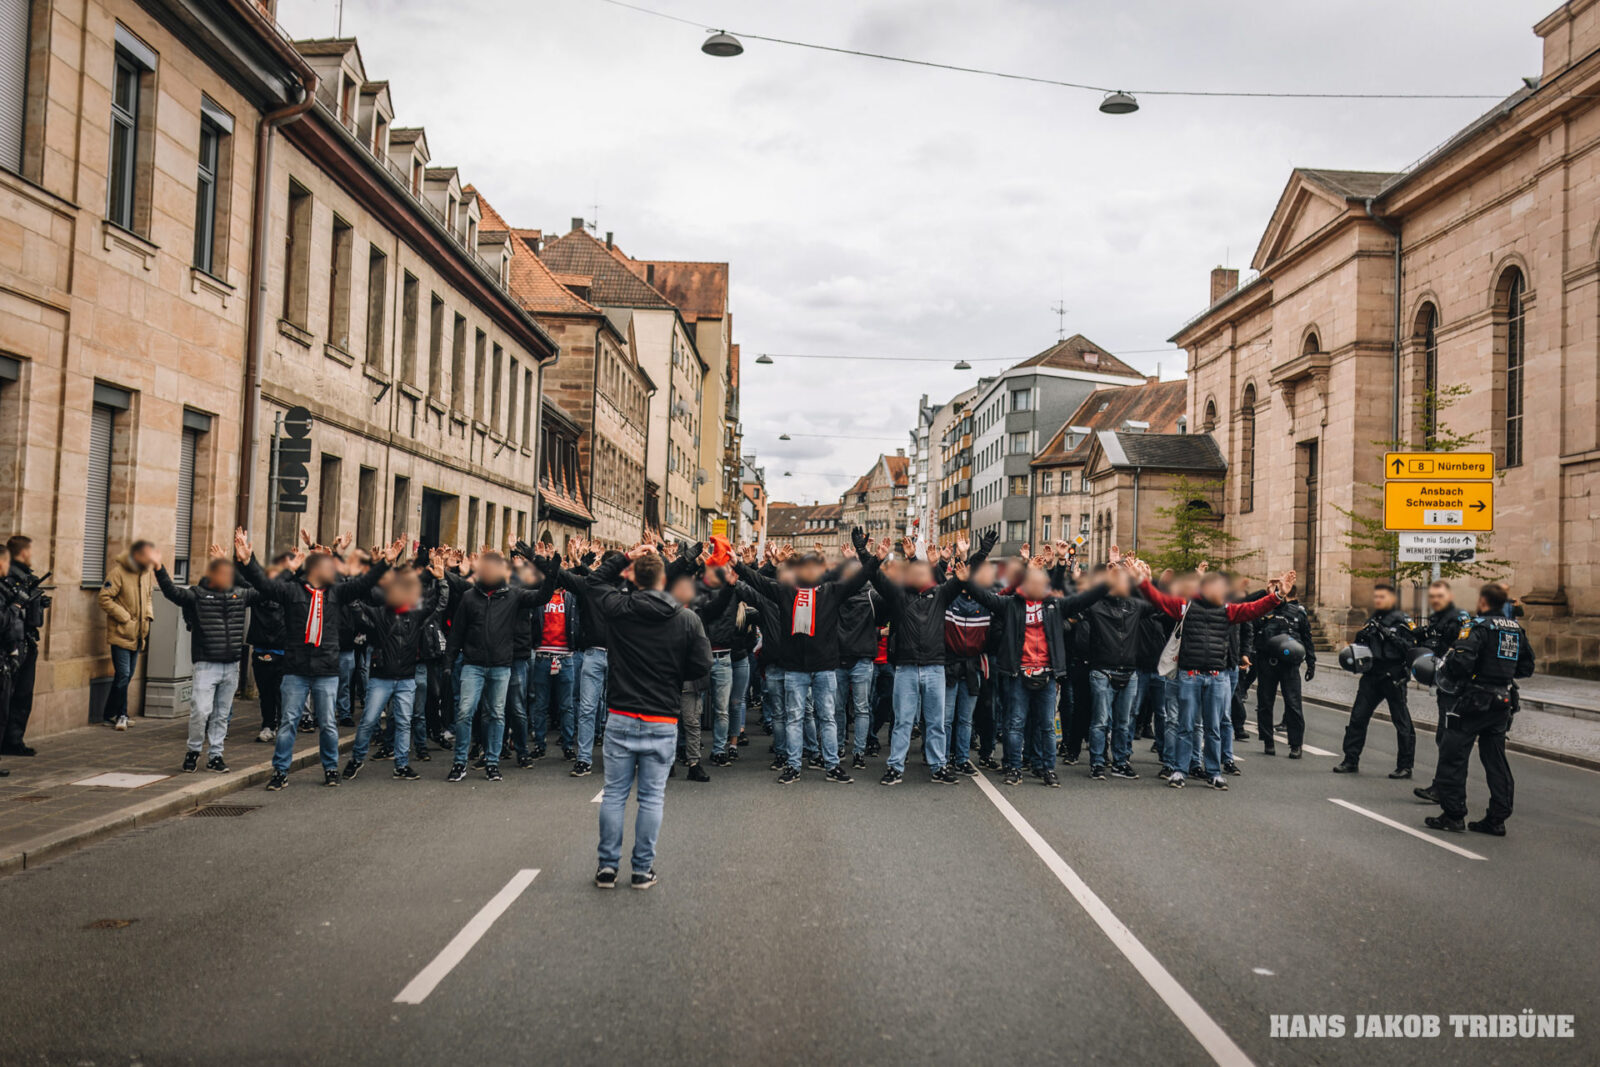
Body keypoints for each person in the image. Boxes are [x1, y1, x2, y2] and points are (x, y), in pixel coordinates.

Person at [583, 544, 712, 889]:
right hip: (662, 717)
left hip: (622, 712)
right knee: (651, 797)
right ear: (663, 579)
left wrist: (624, 556)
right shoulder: (686, 619)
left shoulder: (619, 609)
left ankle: (607, 867)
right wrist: (673, 676)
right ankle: (642, 870)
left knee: (614, 794)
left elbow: (594, 583)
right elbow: (702, 665)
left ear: (634, 578)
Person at [235, 528, 397, 789]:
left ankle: (331, 769)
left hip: (326, 669)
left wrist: (385, 563)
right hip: (296, 668)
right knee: (288, 723)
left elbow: (363, 584)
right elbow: (264, 585)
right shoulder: (291, 592)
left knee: (329, 725)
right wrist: (247, 561)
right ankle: (280, 771)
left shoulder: (338, 593)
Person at [1132, 558, 1294, 790]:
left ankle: (1214, 772)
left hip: (1217, 676)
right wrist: (1142, 581)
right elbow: (1159, 599)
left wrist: (1278, 596)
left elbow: (1253, 609)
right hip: (1190, 674)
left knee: (1212, 728)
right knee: (1186, 726)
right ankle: (1179, 770)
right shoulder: (1185, 606)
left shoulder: (1227, 610)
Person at [962, 539, 1108, 787]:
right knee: (1015, 724)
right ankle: (1013, 768)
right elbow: (985, 598)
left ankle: (1049, 769)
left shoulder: (1054, 605)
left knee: (1047, 727)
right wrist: (965, 580)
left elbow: (1083, 600)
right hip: (1019, 674)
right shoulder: (1011, 605)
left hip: (1048, 675)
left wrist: (1107, 583)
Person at [734, 533, 872, 785]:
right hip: (795, 668)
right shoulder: (786, 592)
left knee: (827, 717)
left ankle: (832, 766)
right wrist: (737, 565)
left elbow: (860, 578)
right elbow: (757, 581)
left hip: (824, 667)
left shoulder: (831, 592)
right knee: (794, 718)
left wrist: (867, 555)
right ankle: (793, 766)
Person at [1424, 583, 1534, 835]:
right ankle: (1497, 818)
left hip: (1474, 699)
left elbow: (1462, 663)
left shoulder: (1477, 627)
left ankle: (1453, 815)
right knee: (1495, 759)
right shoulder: (1516, 629)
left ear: (1483, 602)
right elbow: (1527, 667)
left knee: (1453, 754)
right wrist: (1501, 673)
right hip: (1503, 700)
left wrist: (1452, 671)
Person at [446, 548, 555, 783]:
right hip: (472, 664)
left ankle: (493, 763)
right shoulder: (469, 597)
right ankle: (459, 763)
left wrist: (550, 569)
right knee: (465, 712)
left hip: (501, 665)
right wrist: (449, 661)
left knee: (496, 714)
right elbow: (457, 632)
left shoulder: (513, 595)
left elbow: (542, 597)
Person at [345, 552, 450, 781]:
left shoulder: (416, 614)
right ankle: (356, 759)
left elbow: (439, 605)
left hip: (406, 678)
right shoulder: (378, 613)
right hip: (381, 678)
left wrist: (442, 580)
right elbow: (353, 602)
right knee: (369, 720)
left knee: (404, 722)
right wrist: (365, 573)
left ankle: (401, 765)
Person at [154, 544, 257, 773]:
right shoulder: (198, 595)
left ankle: (216, 755)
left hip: (231, 665)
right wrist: (159, 568)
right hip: (206, 664)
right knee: (201, 711)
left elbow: (261, 589)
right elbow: (172, 592)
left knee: (222, 714)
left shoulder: (239, 594)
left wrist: (245, 563)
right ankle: (193, 750)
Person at [1076, 561, 1161, 780]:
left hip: (1129, 671)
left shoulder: (1134, 605)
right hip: (1102, 671)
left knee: (1124, 723)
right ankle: (1097, 763)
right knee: (1100, 721)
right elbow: (1077, 599)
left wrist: (1144, 578)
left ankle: (1121, 762)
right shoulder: (1095, 605)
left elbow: (1157, 602)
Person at [1333, 581, 1417, 778]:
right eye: (1376, 597)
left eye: (1382, 597)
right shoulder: (1373, 618)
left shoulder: (1402, 620)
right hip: (1372, 675)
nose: (1378, 600)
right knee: (1358, 717)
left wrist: (1388, 635)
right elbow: (1362, 644)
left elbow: (1410, 648)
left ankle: (1405, 766)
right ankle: (1350, 759)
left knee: (1401, 721)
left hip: (1393, 675)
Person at [96, 539, 158, 729]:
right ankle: (122, 714)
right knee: (123, 674)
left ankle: (109, 713)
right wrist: (124, 617)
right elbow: (104, 597)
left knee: (127, 676)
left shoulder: (147, 574)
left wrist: (148, 615)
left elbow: (149, 596)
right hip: (121, 633)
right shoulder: (118, 573)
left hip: (139, 633)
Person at [1253, 584, 1316, 757]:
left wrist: (1311, 662)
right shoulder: (1263, 612)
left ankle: (1296, 744)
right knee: (1265, 703)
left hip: (1289, 665)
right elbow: (1253, 634)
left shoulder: (1298, 613)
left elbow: (1306, 638)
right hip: (1267, 662)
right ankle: (1268, 741)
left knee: (1293, 704)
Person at [2, 534, 47, 757]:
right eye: (30, 550)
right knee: (10, 693)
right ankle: (9, 740)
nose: (32, 554)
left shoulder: (27, 577)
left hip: (26, 638)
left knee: (23, 693)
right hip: (14, 642)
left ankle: (14, 739)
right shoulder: (9, 577)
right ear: (23, 552)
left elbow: (32, 618)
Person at [247, 554, 292, 744]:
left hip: (282, 650)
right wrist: (247, 557)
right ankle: (268, 725)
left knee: (281, 692)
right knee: (265, 692)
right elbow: (246, 576)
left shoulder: (286, 594)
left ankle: (282, 726)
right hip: (261, 649)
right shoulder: (257, 595)